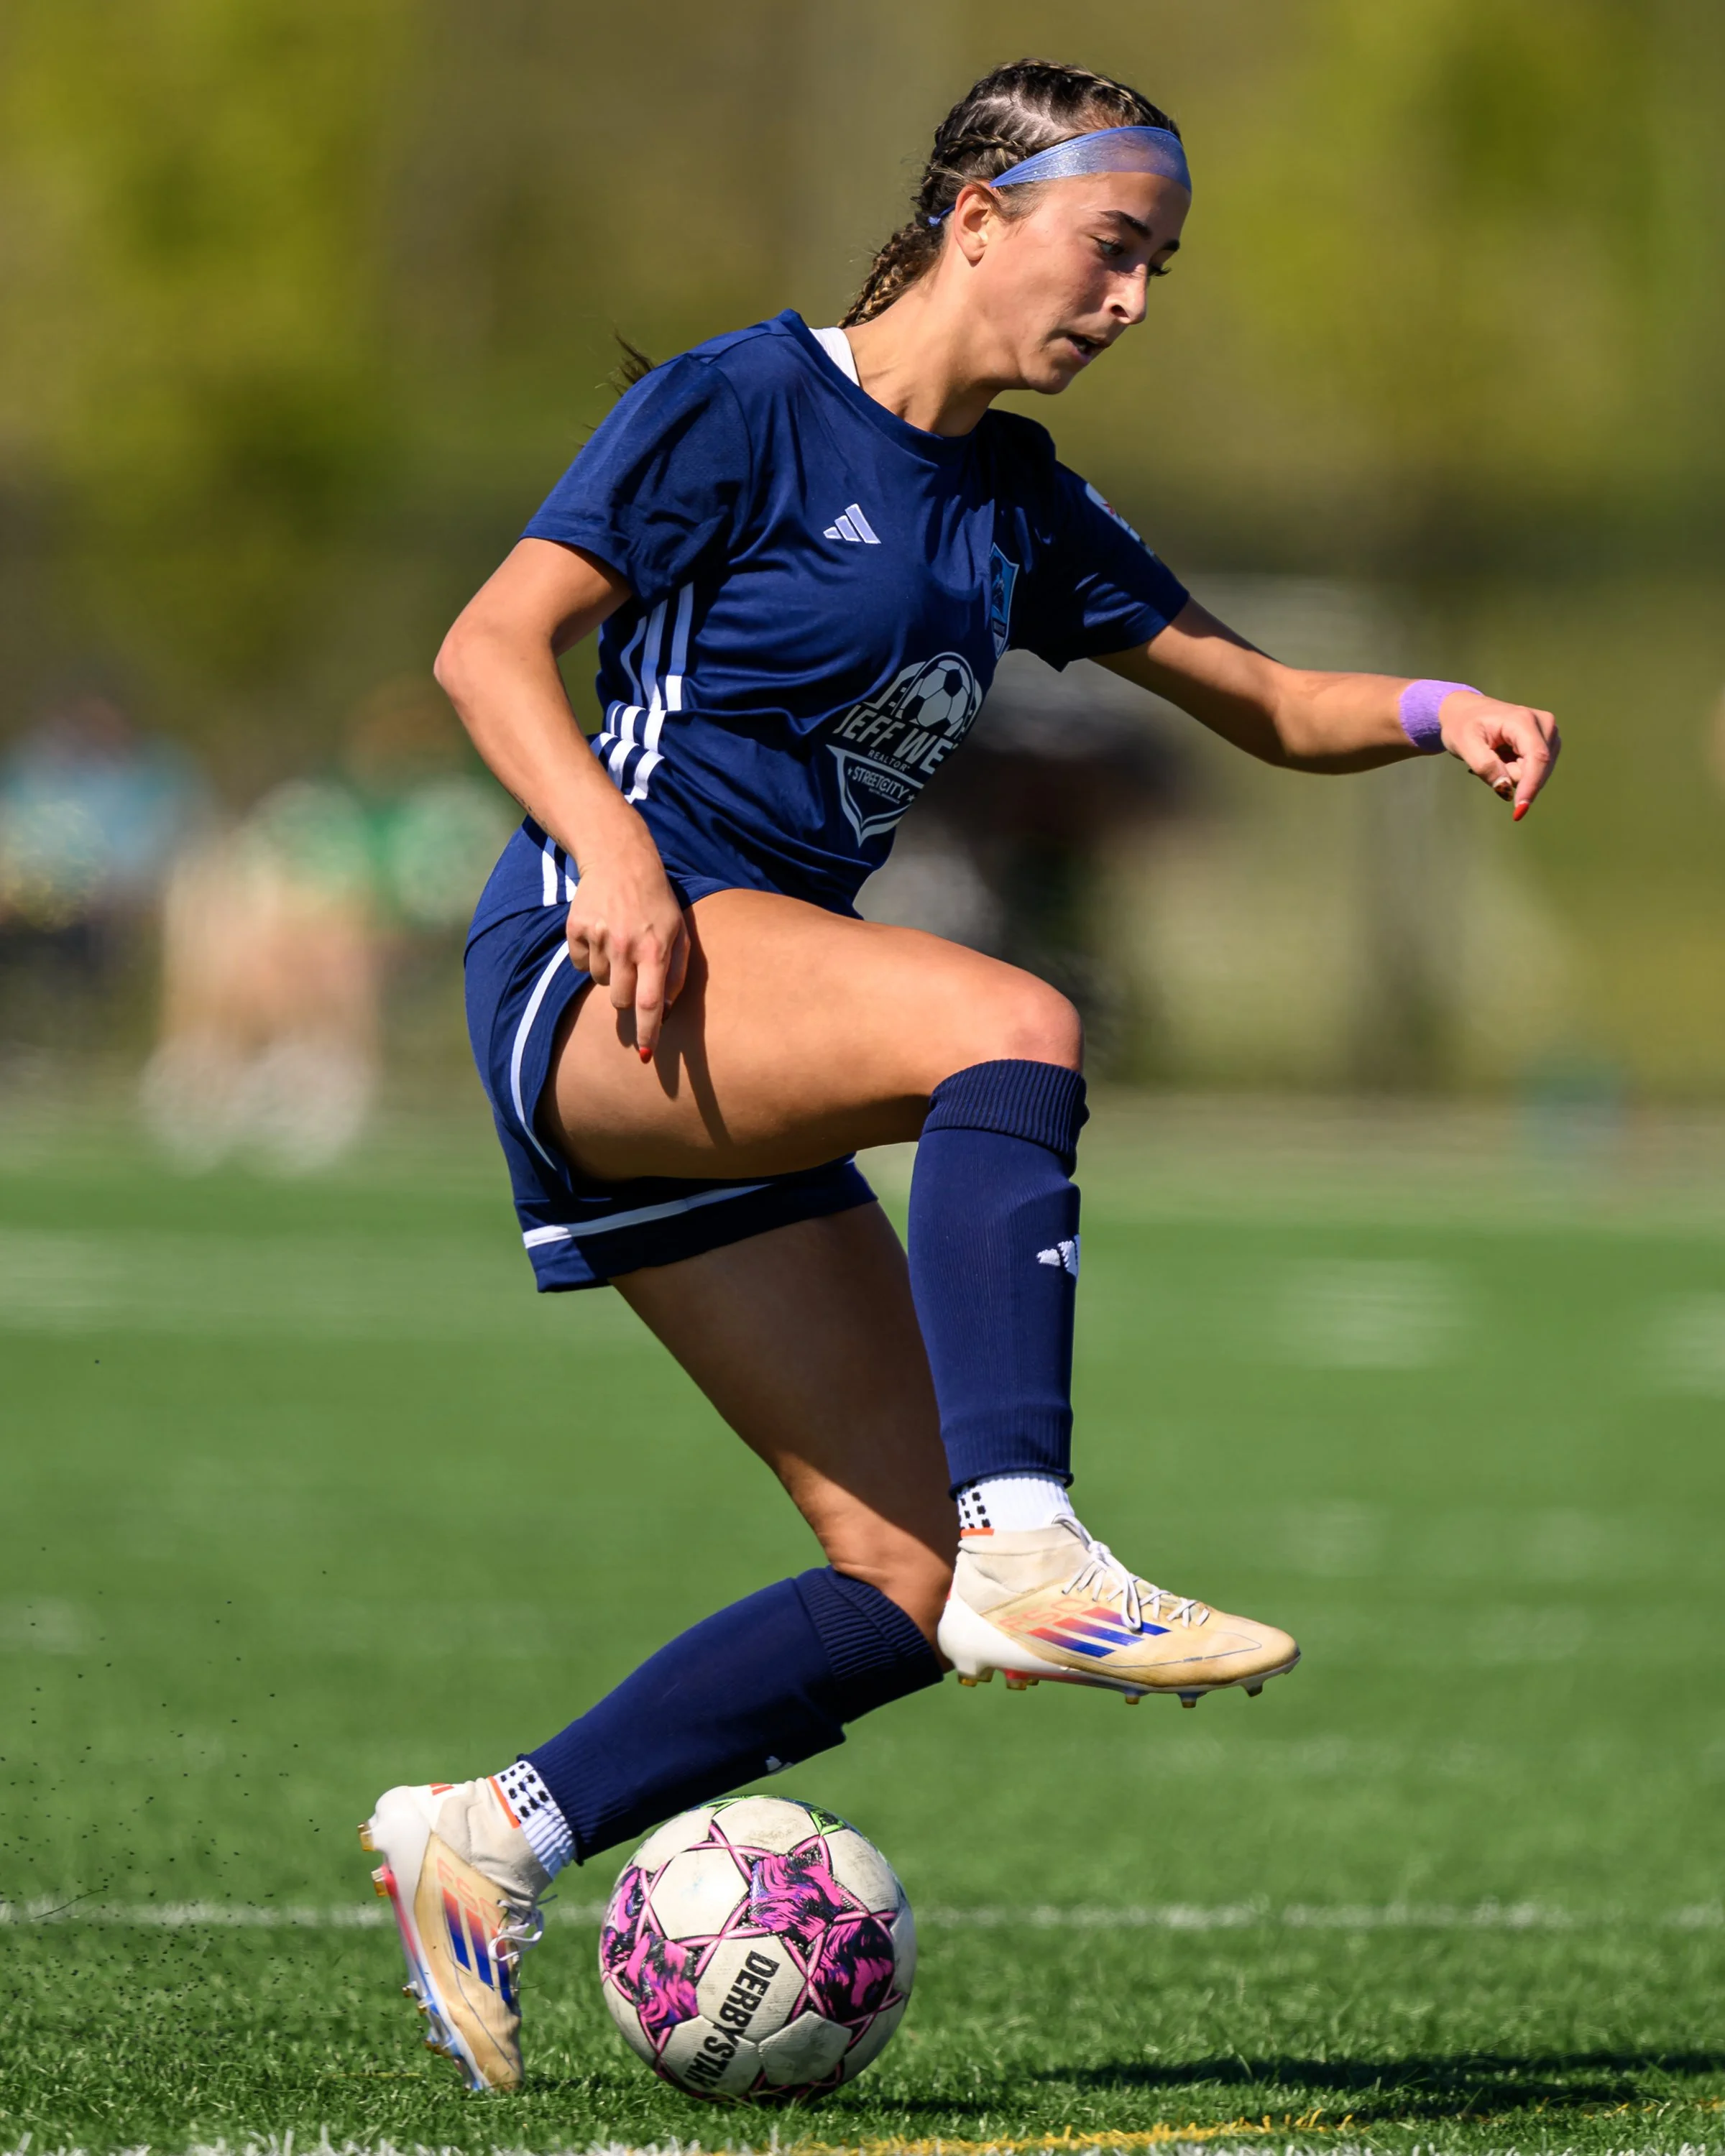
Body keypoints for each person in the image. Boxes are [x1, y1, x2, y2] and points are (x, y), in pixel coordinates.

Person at [359, 57, 1560, 2092]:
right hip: (606, 969)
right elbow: (492, 645)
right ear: (981, 217)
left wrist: (1444, 706)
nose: (1135, 299)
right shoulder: (747, 400)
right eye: (1114, 248)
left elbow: (1274, 702)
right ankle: (1039, 1539)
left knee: (898, 1585)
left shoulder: (1019, 502)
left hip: (741, 1030)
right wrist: (620, 856)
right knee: (1013, 1022)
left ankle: (492, 1837)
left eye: (1160, 266)